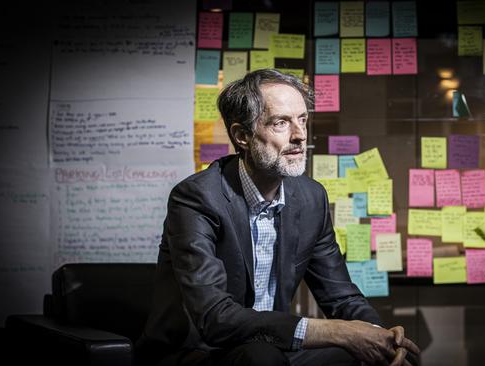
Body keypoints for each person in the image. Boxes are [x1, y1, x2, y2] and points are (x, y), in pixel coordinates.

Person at [136, 69, 419, 366]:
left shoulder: (311, 198)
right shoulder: (196, 198)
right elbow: (215, 317)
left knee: (382, 357)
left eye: (302, 120)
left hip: (276, 346)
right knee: (262, 358)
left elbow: (341, 296)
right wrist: (337, 331)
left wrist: (380, 336)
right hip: (198, 350)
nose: (299, 135)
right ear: (242, 136)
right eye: (281, 123)